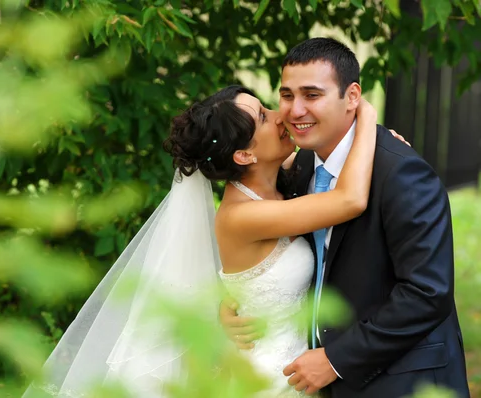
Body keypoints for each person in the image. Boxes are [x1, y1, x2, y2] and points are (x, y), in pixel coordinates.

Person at [21, 83, 394, 398]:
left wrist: (386, 152)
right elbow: (349, 200)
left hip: (294, 371)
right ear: (245, 154)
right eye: (263, 117)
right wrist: (365, 119)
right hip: (266, 381)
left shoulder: (274, 182)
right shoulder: (241, 216)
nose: (280, 115)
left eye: (265, 106)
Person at [221, 38, 470, 398]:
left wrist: (336, 359)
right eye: (287, 95)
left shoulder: (401, 173)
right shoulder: (299, 166)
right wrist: (236, 301)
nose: (294, 110)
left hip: (400, 380)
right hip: (310, 377)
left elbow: (427, 293)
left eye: (312, 94)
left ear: (352, 97)